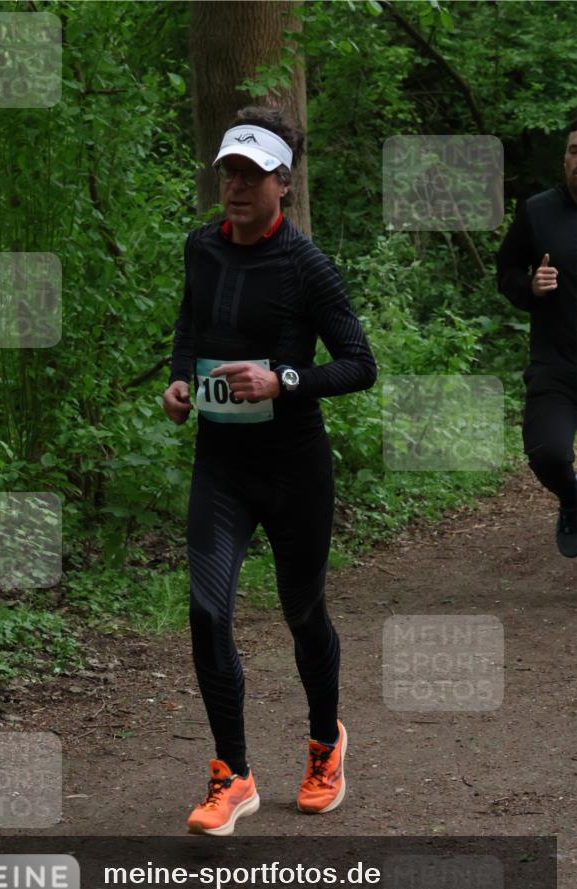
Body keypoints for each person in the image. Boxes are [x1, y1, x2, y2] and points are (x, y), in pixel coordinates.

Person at [163, 106, 377, 836]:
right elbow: (189, 329)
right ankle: (232, 772)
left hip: (293, 468)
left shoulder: (307, 265)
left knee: (301, 612)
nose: (235, 185)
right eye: (228, 171)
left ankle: (324, 744)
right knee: (206, 609)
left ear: (283, 182)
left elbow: (359, 365)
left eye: (251, 174)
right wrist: (179, 383)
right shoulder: (201, 248)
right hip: (220, 465)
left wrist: (284, 379)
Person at [496, 120, 577, 557]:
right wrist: (529, 286)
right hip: (556, 362)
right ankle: (572, 498)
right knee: (547, 453)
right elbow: (505, 271)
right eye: (574, 150)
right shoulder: (538, 211)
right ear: (565, 158)